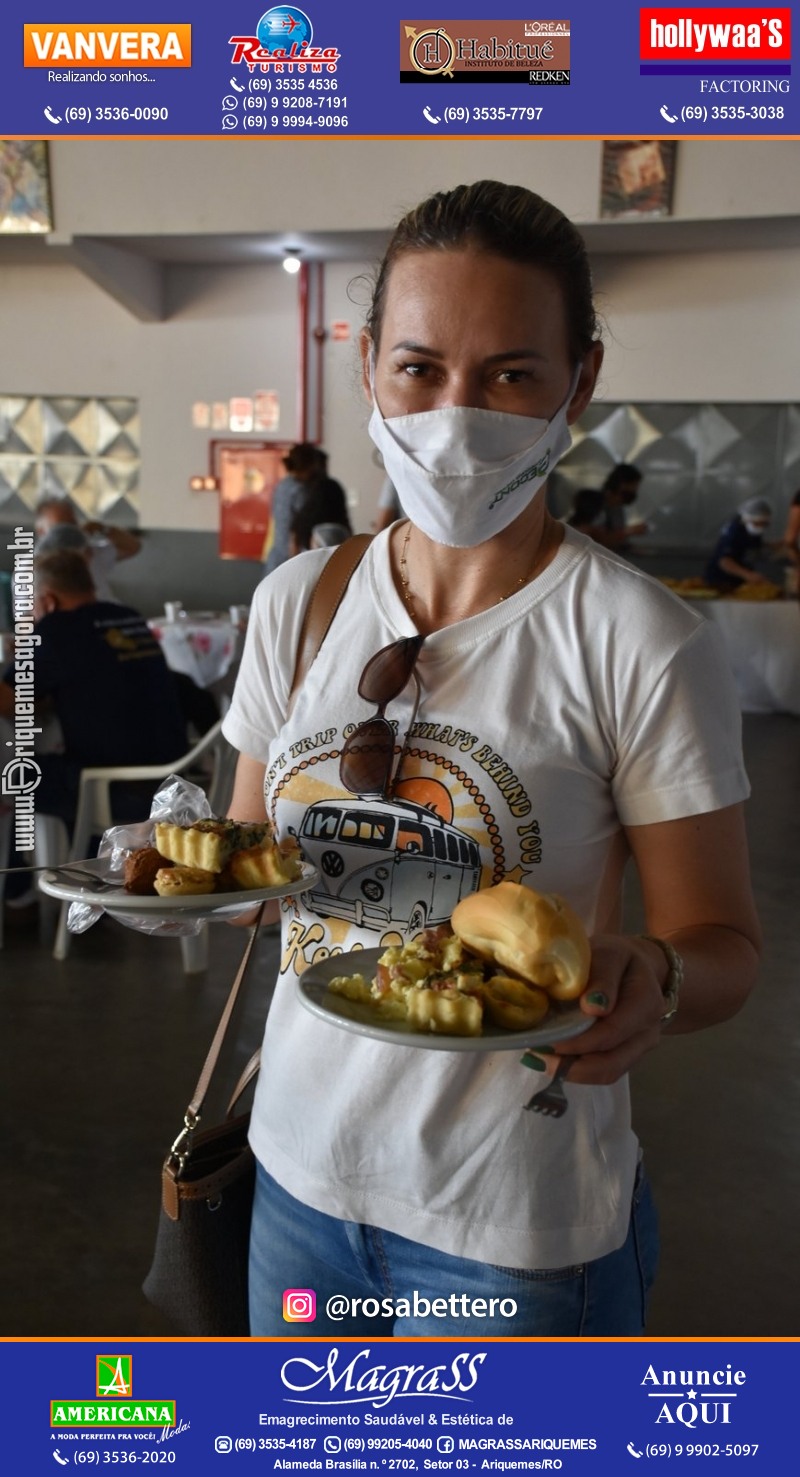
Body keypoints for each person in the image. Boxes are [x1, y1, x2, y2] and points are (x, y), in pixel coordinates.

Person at [222, 179, 760, 1338]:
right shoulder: (297, 604)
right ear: (368, 366)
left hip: (504, 1228)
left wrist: (653, 981)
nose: (455, 414)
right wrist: (195, 885)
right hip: (294, 1180)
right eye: (419, 368)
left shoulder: (638, 639)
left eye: (510, 373)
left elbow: (722, 947)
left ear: (581, 378)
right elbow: (250, 883)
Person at [0, 551, 186, 831]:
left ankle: (27, 869)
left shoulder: (56, 629)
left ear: (47, 601)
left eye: (30, 610)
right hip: (173, 778)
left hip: (113, 789)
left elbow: (5, 701)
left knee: (10, 772)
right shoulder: (129, 617)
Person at [262, 444, 352, 574]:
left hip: (276, 555)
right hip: (292, 559)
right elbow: (299, 527)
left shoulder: (282, 485)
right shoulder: (303, 491)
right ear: (310, 465)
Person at [34, 495, 141, 602]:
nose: (67, 532)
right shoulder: (28, 570)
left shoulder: (93, 552)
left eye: (72, 524)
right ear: (41, 532)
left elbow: (132, 547)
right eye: (59, 528)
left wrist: (101, 528)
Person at [704, 496, 773, 591]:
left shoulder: (753, 532)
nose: (760, 527)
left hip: (739, 582)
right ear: (747, 519)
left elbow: (751, 546)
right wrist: (748, 575)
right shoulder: (734, 531)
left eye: (764, 524)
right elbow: (725, 562)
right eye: (757, 523)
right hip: (721, 582)